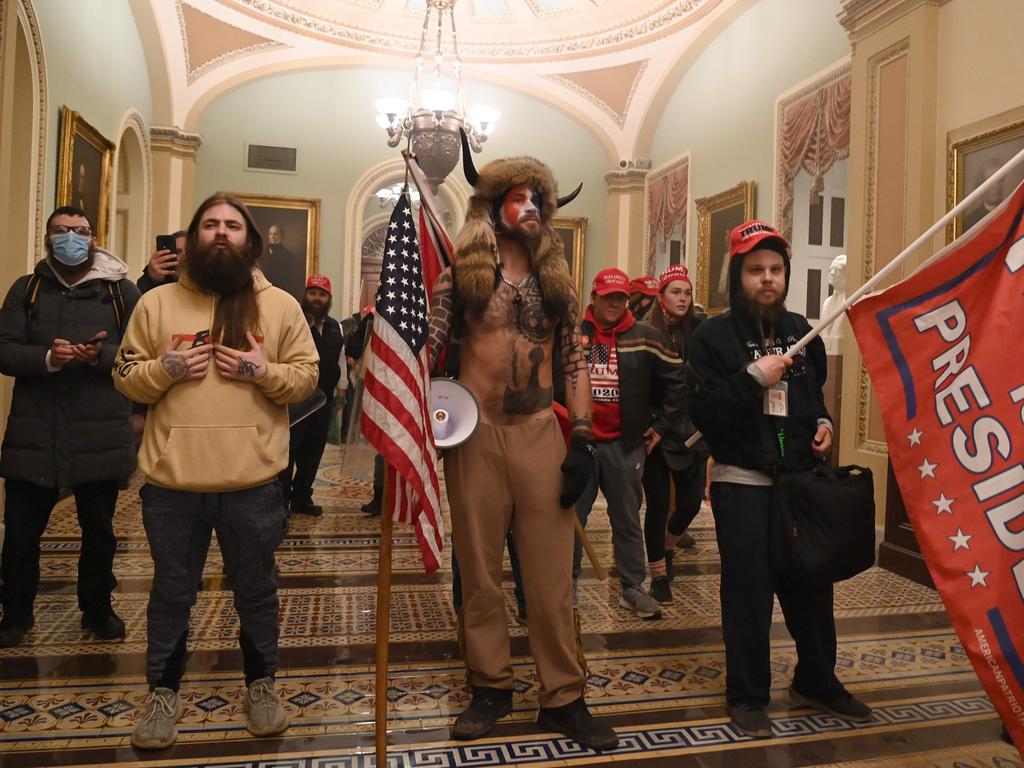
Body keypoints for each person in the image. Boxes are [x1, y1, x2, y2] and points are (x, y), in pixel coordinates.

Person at [426, 141, 617, 751]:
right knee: (479, 571)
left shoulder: (557, 283)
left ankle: (563, 697)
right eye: (520, 196)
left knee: (551, 576)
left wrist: (582, 439)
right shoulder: (460, 276)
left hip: (540, 436)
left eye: (539, 198)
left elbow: (575, 358)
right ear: (493, 206)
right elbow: (426, 346)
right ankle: (490, 685)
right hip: (475, 436)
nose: (532, 205)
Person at [113, 193, 318, 750]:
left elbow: (306, 379)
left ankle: (262, 685)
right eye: (210, 224)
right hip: (172, 486)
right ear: (192, 236)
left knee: (256, 590)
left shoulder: (280, 307)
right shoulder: (156, 304)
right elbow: (126, 375)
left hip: (253, 484)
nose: (221, 233)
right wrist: (165, 368)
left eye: (232, 225)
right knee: (171, 592)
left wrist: (263, 370)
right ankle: (162, 693)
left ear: (250, 239)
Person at [688, 219, 871, 738]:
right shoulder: (711, 339)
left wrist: (824, 424)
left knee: (813, 585)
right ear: (737, 275)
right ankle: (747, 695)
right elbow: (705, 415)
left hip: (800, 486)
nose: (767, 279)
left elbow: (812, 395)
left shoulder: (801, 331)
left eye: (775, 269)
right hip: (741, 484)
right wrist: (751, 379)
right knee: (748, 593)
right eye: (755, 270)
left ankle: (817, 679)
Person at [0, 206, 140, 647]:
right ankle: (16, 612)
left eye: (79, 231)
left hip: (100, 431)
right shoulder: (28, 289)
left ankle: (97, 608)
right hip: (35, 432)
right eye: (61, 231)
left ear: (94, 238)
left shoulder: (121, 291)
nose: (70, 238)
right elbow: (4, 349)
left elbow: (140, 352)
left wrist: (99, 356)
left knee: (99, 532)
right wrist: (46, 358)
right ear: (47, 238)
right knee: (21, 533)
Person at [573, 267, 686, 619]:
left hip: (626, 444)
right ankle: (567, 587)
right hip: (580, 444)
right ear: (594, 297)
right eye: (608, 297)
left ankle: (632, 587)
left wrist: (661, 426)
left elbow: (677, 382)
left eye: (621, 297)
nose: (615, 303)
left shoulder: (647, 337)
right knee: (572, 518)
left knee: (626, 518)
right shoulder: (576, 336)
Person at [642, 264, 710, 604]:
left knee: (690, 504)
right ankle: (658, 575)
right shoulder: (646, 331)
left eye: (687, 293)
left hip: (694, 431)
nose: (682, 299)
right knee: (656, 507)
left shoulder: (700, 330)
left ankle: (668, 547)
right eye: (675, 292)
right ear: (661, 296)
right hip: (656, 432)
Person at [279, 274, 345, 516]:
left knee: (313, 452)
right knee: (289, 452)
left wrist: (342, 391)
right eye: (313, 293)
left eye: (322, 294)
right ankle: (282, 500)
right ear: (305, 295)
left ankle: (302, 497)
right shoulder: (293, 322)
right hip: (295, 401)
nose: (317, 298)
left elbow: (341, 360)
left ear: (329, 298)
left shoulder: (335, 326)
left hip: (323, 402)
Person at [819, 253, 848, 353]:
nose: (832, 273)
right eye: (831, 269)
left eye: (837, 270)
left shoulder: (850, 300)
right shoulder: (827, 302)